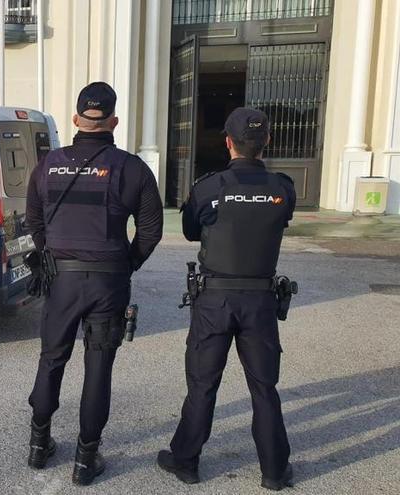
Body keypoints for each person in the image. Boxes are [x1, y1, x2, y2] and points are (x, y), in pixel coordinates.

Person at [24, 82, 163, 485]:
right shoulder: (132, 168)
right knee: (98, 368)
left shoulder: (48, 165)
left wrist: (50, 256)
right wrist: (127, 264)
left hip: (62, 282)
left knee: (52, 359)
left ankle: (38, 445)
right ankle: (86, 460)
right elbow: (151, 229)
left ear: (75, 120)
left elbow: (34, 219)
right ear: (114, 121)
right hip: (109, 283)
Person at [157, 107, 297, 491]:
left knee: (203, 384)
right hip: (260, 301)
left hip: (214, 300)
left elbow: (189, 231)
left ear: (227, 142)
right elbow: (281, 220)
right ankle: (274, 470)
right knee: (264, 387)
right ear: (266, 142)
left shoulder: (208, 187)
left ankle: (186, 461)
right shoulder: (283, 188)